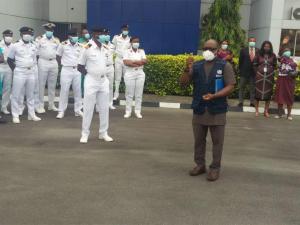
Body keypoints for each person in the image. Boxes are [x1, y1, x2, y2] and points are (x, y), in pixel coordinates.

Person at [180, 39, 236, 182]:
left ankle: (215, 168)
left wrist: (215, 96)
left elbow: (230, 86)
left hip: (217, 110)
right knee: (199, 140)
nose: (208, 51)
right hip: (199, 108)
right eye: (205, 48)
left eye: (211, 48)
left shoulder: (225, 65)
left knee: (217, 142)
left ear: (217, 50)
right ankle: (200, 165)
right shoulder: (197, 65)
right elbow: (183, 84)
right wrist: (187, 69)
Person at [78, 27, 113, 143]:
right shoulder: (87, 47)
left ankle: (103, 133)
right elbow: (80, 66)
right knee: (88, 108)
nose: (102, 35)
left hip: (103, 81)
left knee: (104, 109)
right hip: (91, 81)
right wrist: (90, 75)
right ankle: (84, 134)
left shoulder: (105, 48)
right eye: (100, 33)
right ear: (94, 34)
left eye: (103, 33)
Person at [7, 27, 41, 124]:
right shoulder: (15, 46)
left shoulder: (33, 46)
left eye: (30, 34)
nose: (28, 35)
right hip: (20, 72)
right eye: (26, 33)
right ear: (21, 34)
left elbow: (35, 59)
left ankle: (31, 114)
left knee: (31, 95)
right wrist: (16, 69)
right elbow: (10, 60)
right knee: (16, 95)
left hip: (31, 72)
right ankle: (15, 115)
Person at [56, 29, 83, 119]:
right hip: (66, 69)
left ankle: (78, 110)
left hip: (77, 70)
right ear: (69, 36)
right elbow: (58, 56)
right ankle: (61, 111)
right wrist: (62, 65)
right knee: (64, 90)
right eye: (73, 36)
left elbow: (82, 58)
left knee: (78, 91)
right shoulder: (63, 45)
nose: (75, 37)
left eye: (76, 35)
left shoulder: (80, 46)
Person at [35, 22, 60, 113]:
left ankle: (51, 104)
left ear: (53, 30)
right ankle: (40, 105)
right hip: (43, 61)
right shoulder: (39, 39)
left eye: (51, 30)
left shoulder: (56, 40)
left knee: (52, 85)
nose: (50, 31)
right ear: (45, 30)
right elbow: (36, 53)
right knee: (41, 84)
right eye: (48, 30)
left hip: (53, 62)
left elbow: (59, 53)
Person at [123, 36, 147, 119]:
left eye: (138, 41)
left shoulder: (141, 51)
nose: (136, 43)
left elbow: (145, 61)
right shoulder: (127, 51)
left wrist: (133, 61)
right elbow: (126, 62)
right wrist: (138, 62)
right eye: (135, 41)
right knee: (129, 94)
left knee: (139, 94)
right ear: (131, 42)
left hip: (140, 73)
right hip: (130, 74)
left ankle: (137, 111)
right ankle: (128, 111)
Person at [253, 41, 277, 117]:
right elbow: (254, 65)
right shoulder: (258, 54)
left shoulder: (273, 55)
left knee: (268, 95)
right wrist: (257, 73)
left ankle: (266, 111)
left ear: (270, 47)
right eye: (265, 46)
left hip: (269, 78)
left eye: (268, 46)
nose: (267, 48)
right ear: (263, 47)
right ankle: (256, 110)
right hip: (259, 77)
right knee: (257, 95)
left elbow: (275, 65)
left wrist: (271, 72)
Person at [274, 47, 298, 120]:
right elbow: (277, 63)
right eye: (286, 51)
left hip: (289, 81)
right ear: (283, 53)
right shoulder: (281, 60)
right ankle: (279, 114)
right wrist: (281, 58)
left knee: (289, 97)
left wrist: (292, 73)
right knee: (280, 96)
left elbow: (296, 72)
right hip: (281, 80)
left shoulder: (294, 61)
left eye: (288, 51)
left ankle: (289, 115)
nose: (287, 52)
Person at [238, 37, 259, 107]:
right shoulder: (243, 50)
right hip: (244, 72)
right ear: (248, 41)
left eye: (253, 41)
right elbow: (240, 61)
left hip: (253, 73)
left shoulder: (258, 50)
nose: (252, 42)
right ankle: (240, 102)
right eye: (251, 41)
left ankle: (252, 102)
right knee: (241, 87)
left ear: (255, 42)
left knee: (252, 88)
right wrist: (240, 70)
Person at [112, 24, 131, 100]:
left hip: (126, 60)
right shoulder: (116, 38)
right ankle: (116, 94)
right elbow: (113, 48)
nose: (125, 31)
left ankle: (127, 95)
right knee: (117, 78)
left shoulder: (130, 39)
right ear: (122, 30)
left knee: (126, 78)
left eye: (127, 29)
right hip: (118, 59)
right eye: (124, 29)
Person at [102, 28, 116, 110]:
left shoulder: (112, 46)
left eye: (107, 34)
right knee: (101, 85)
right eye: (104, 34)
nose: (106, 36)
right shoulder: (100, 45)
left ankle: (110, 103)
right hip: (102, 67)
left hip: (110, 67)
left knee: (110, 86)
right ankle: (101, 103)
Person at [0, 30, 14, 114]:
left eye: (10, 35)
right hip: (0, 66)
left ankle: (4, 107)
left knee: (7, 88)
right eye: (7, 35)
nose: (9, 37)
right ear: (3, 36)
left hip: (9, 68)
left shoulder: (13, 46)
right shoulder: (0, 44)